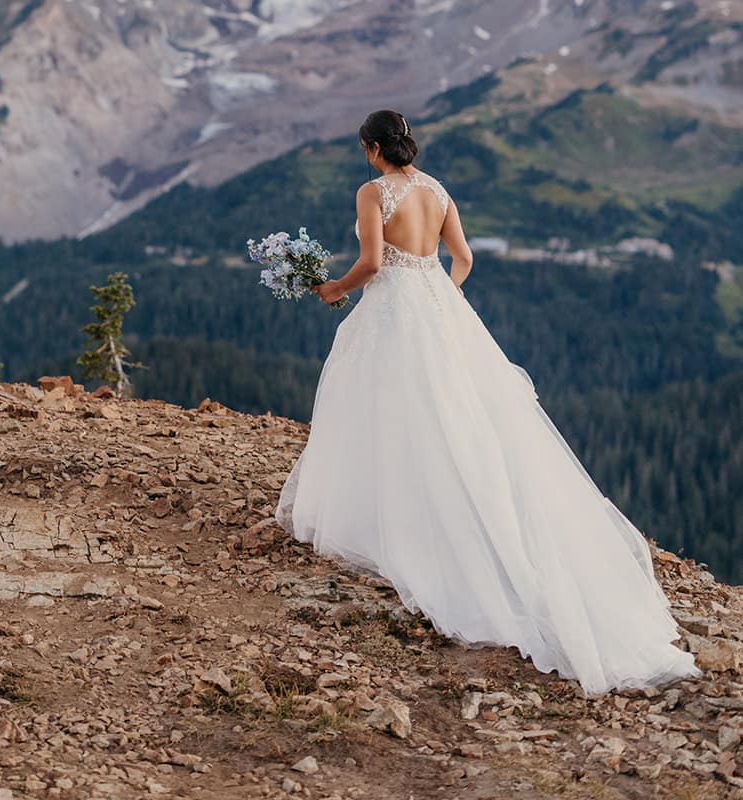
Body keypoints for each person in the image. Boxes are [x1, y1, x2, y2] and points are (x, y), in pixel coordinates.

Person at [275, 108, 698, 696]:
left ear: (373, 148)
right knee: (458, 418)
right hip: (438, 311)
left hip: (392, 314)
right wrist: (435, 299)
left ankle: (396, 517)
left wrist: (333, 288)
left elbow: (372, 264)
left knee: (389, 412)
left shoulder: (372, 192)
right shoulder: (439, 191)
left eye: (364, 148)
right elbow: (464, 259)